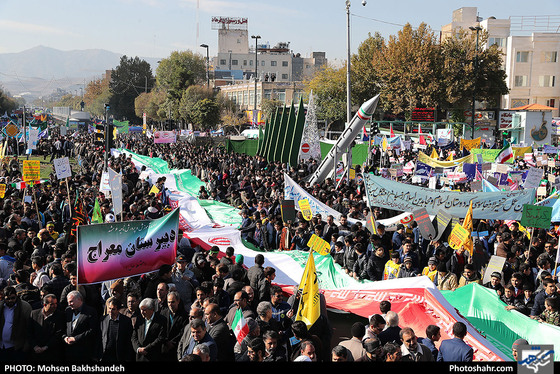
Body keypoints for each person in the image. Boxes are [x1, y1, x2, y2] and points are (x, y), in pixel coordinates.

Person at [62, 290, 99, 362]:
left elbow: (92, 330)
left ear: (79, 299)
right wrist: (65, 337)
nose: (69, 304)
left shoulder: (90, 311)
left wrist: (76, 339)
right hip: (68, 352)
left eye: (71, 301)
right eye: (68, 302)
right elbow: (64, 327)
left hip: (83, 351)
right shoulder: (68, 311)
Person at [28, 293, 65, 361]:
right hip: (36, 353)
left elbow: (58, 334)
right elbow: (29, 332)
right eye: (52, 304)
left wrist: (46, 347)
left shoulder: (60, 316)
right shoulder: (34, 314)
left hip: (52, 353)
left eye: (56, 303)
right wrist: (35, 346)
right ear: (45, 305)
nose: (55, 306)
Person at [99, 296, 134, 362]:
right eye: (109, 308)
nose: (110, 311)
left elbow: (128, 341)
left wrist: (128, 357)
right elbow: (99, 338)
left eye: (113, 309)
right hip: (105, 356)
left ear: (118, 310)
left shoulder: (126, 321)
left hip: (119, 356)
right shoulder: (103, 320)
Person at [131, 297, 166, 362]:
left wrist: (146, 349)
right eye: (141, 310)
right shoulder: (139, 319)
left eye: (144, 310)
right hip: (140, 357)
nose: (142, 312)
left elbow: (161, 338)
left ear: (152, 310)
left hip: (153, 356)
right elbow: (134, 337)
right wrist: (138, 349)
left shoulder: (161, 320)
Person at [160, 291, 189, 361]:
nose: (170, 304)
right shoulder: (163, 313)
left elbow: (183, 331)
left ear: (178, 301)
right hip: (163, 348)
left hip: (176, 349)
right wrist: (165, 342)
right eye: (168, 302)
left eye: (173, 302)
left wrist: (173, 342)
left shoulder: (184, 315)